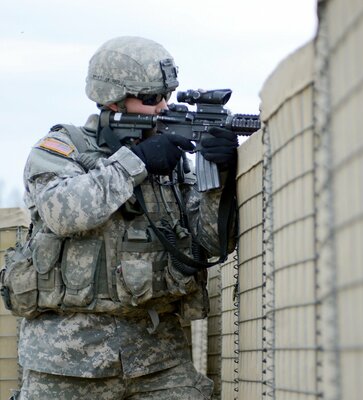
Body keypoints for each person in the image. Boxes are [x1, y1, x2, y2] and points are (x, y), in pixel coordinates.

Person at [14, 36, 238, 399]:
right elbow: (63, 213)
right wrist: (138, 162)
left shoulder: (173, 161)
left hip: (157, 355)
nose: (163, 107)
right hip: (67, 359)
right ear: (112, 98)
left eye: (167, 95)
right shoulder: (61, 149)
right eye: (150, 99)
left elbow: (211, 243)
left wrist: (220, 177)